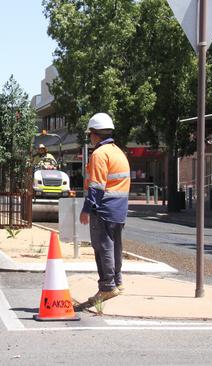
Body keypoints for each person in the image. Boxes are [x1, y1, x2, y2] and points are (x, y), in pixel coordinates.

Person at [79, 113, 130, 303]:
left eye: (89, 134)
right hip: (120, 209)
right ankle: (117, 281)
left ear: (95, 134)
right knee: (115, 245)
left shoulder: (100, 154)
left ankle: (107, 287)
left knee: (103, 247)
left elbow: (97, 187)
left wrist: (87, 208)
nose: (89, 139)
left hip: (104, 209)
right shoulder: (118, 152)